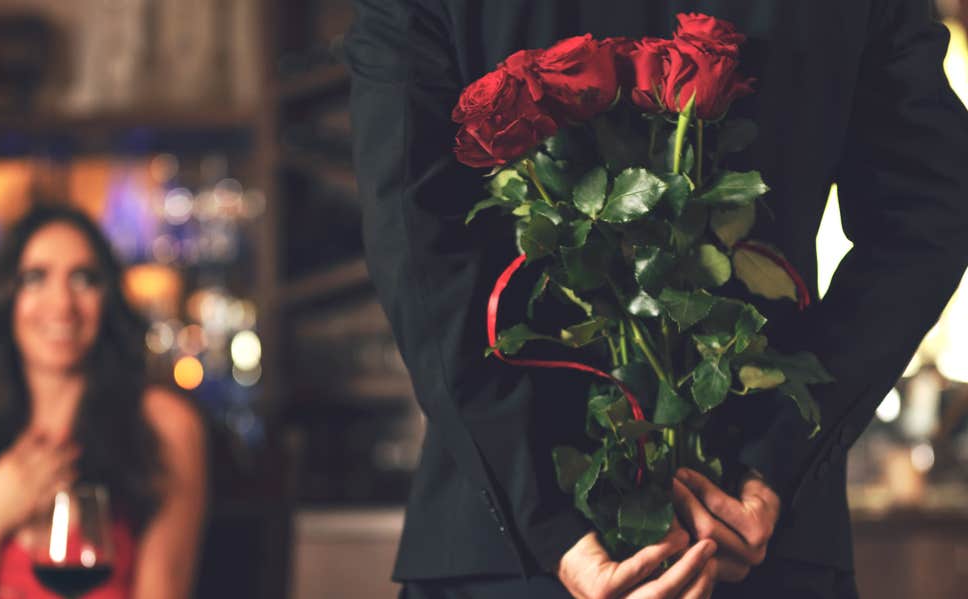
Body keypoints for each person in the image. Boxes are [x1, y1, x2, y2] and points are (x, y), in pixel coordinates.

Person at [345, 1, 968, 598]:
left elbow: (414, 238)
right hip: (757, 541)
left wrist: (547, 517)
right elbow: (930, 212)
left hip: (503, 555)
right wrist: (778, 460)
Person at [0, 204, 208, 599]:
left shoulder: (163, 427)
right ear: (5, 299)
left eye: (83, 279)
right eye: (35, 279)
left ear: (107, 299)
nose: (62, 305)